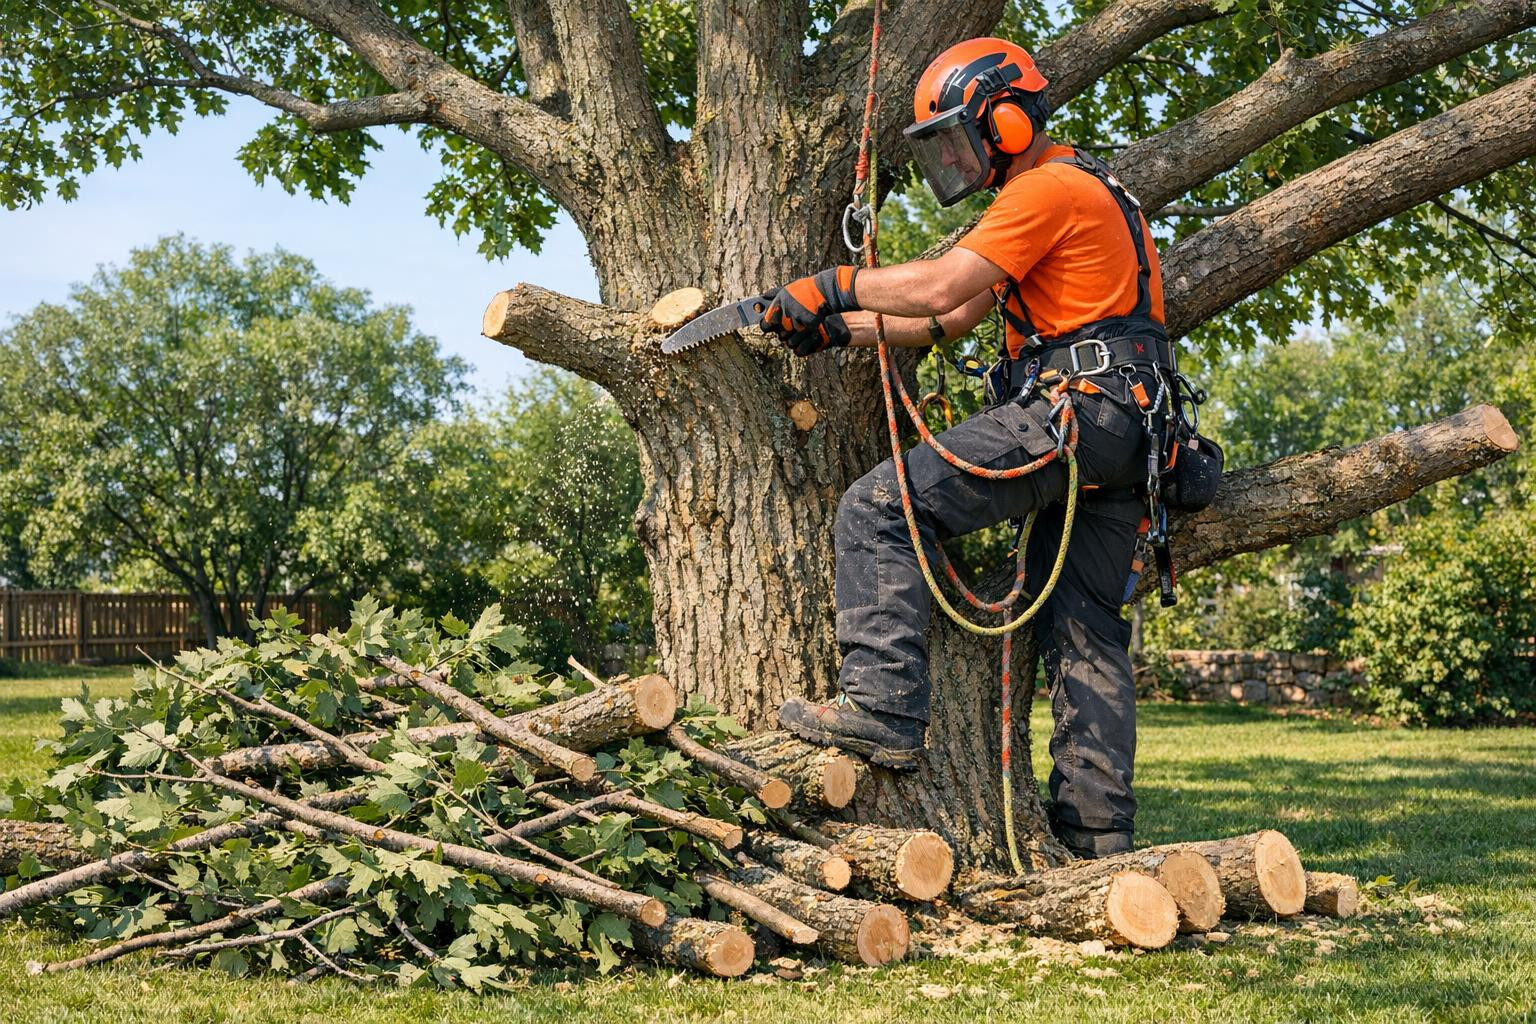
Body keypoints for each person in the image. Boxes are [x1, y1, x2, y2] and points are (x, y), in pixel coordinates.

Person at [764, 37, 1171, 859]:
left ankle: (883, 708)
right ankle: (1097, 838)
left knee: (880, 505)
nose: (953, 157)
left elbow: (941, 285)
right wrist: (836, 328)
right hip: (1128, 429)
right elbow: (945, 321)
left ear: (1009, 118)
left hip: (1078, 411)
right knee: (1084, 624)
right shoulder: (1074, 188)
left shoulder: (1047, 187)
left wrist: (832, 282)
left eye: (959, 136)